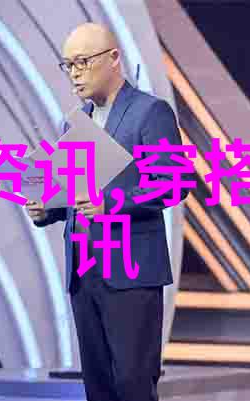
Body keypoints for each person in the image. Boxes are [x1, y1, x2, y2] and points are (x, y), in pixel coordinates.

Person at [24, 23, 192, 401]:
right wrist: (47, 209)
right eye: (68, 65)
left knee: (132, 385)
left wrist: (110, 203)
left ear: (114, 58)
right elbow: (74, 193)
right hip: (84, 271)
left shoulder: (150, 112)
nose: (75, 73)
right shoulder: (75, 121)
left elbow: (175, 182)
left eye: (83, 62)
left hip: (130, 271)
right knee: (97, 387)